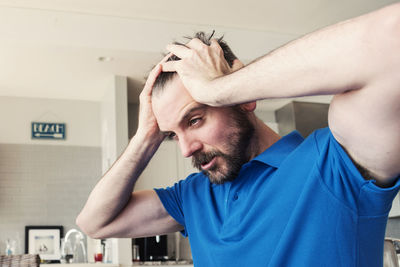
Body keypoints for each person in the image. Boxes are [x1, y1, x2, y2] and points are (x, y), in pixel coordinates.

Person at [76, 3, 400, 267]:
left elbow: (391, 41)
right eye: (172, 135)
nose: (186, 150)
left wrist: (219, 88)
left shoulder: (336, 163)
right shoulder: (193, 196)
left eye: (195, 119)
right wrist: (146, 137)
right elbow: (95, 223)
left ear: (242, 98)